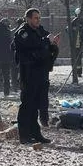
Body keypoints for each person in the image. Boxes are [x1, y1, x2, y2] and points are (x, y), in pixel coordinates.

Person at [14, 8, 60, 144]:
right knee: (27, 104)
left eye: (39, 18)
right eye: (35, 18)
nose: (38, 20)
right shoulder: (23, 33)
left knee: (37, 104)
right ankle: (24, 134)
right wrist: (47, 42)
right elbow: (34, 45)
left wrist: (53, 43)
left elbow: (47, 46)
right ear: (28, 19)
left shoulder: (40, 31)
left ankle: (36, 133)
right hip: (28, 73)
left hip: (41, 72)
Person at [69, 10, 83, 82]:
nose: (81, 16)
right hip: (77, 42)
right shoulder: (74, 22)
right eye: (79, 15)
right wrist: (73, 30)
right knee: (78, 57)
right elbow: (68, 29)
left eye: (82, 15)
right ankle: (78, 72)